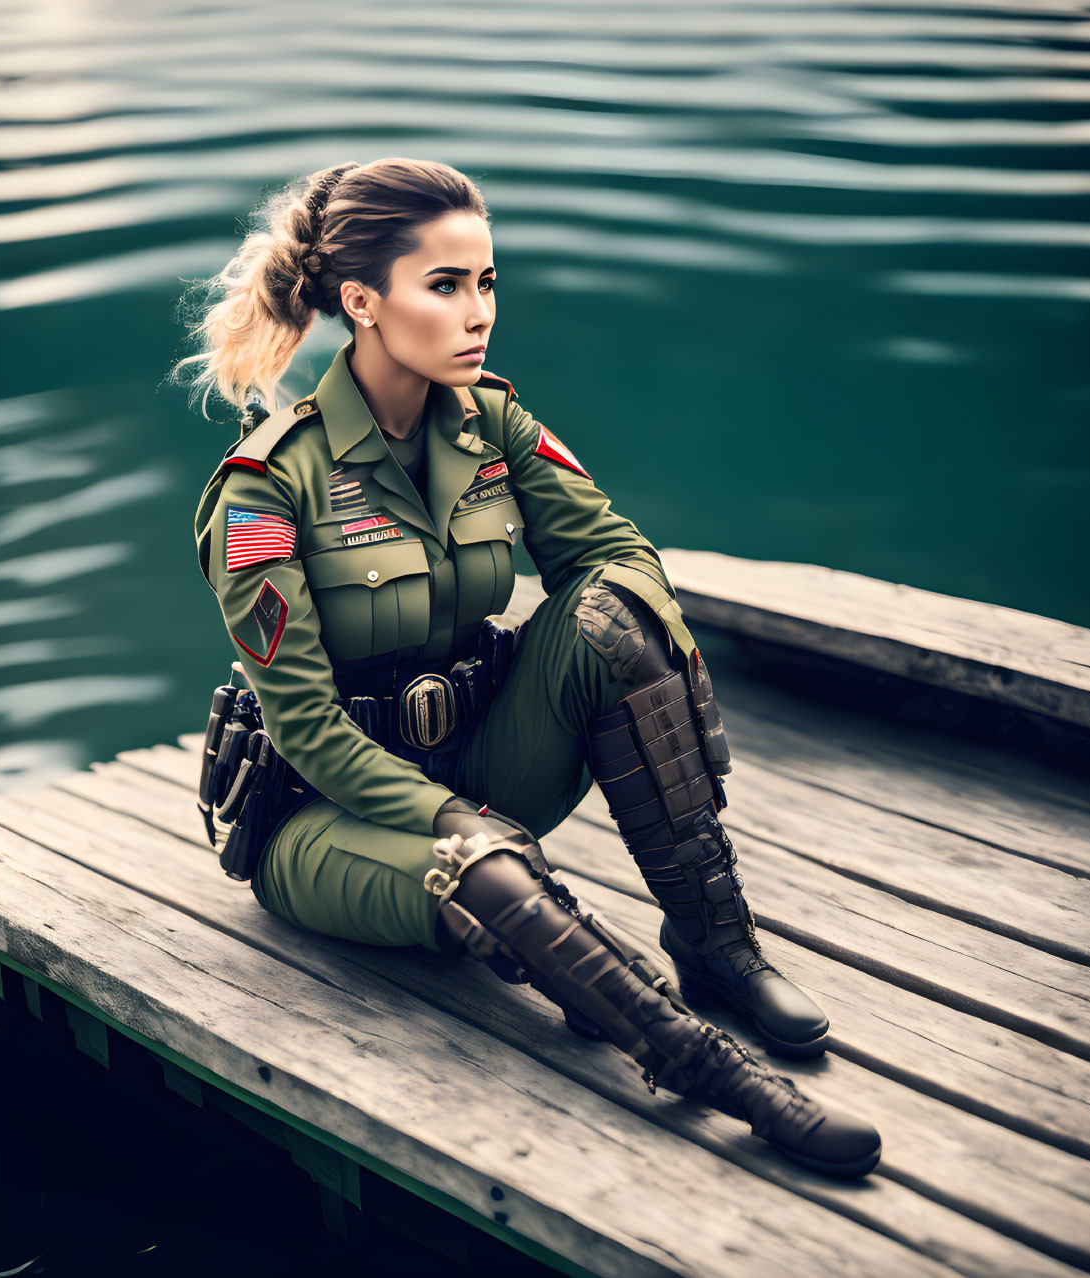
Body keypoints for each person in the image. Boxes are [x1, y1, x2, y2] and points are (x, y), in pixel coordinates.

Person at [182, 158, 881, 1178]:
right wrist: (447, 817)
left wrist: (627, 632)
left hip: (483, 762)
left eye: (488, 283)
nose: (478, 314)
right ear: (360, 302)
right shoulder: (264, 487)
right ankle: (715, 1076)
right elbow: (306, 729)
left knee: (611, 614)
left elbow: (618, 557)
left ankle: (714, 943)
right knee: (475, 865)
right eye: (446, 285)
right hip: (327, 820)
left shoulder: (491, 425)